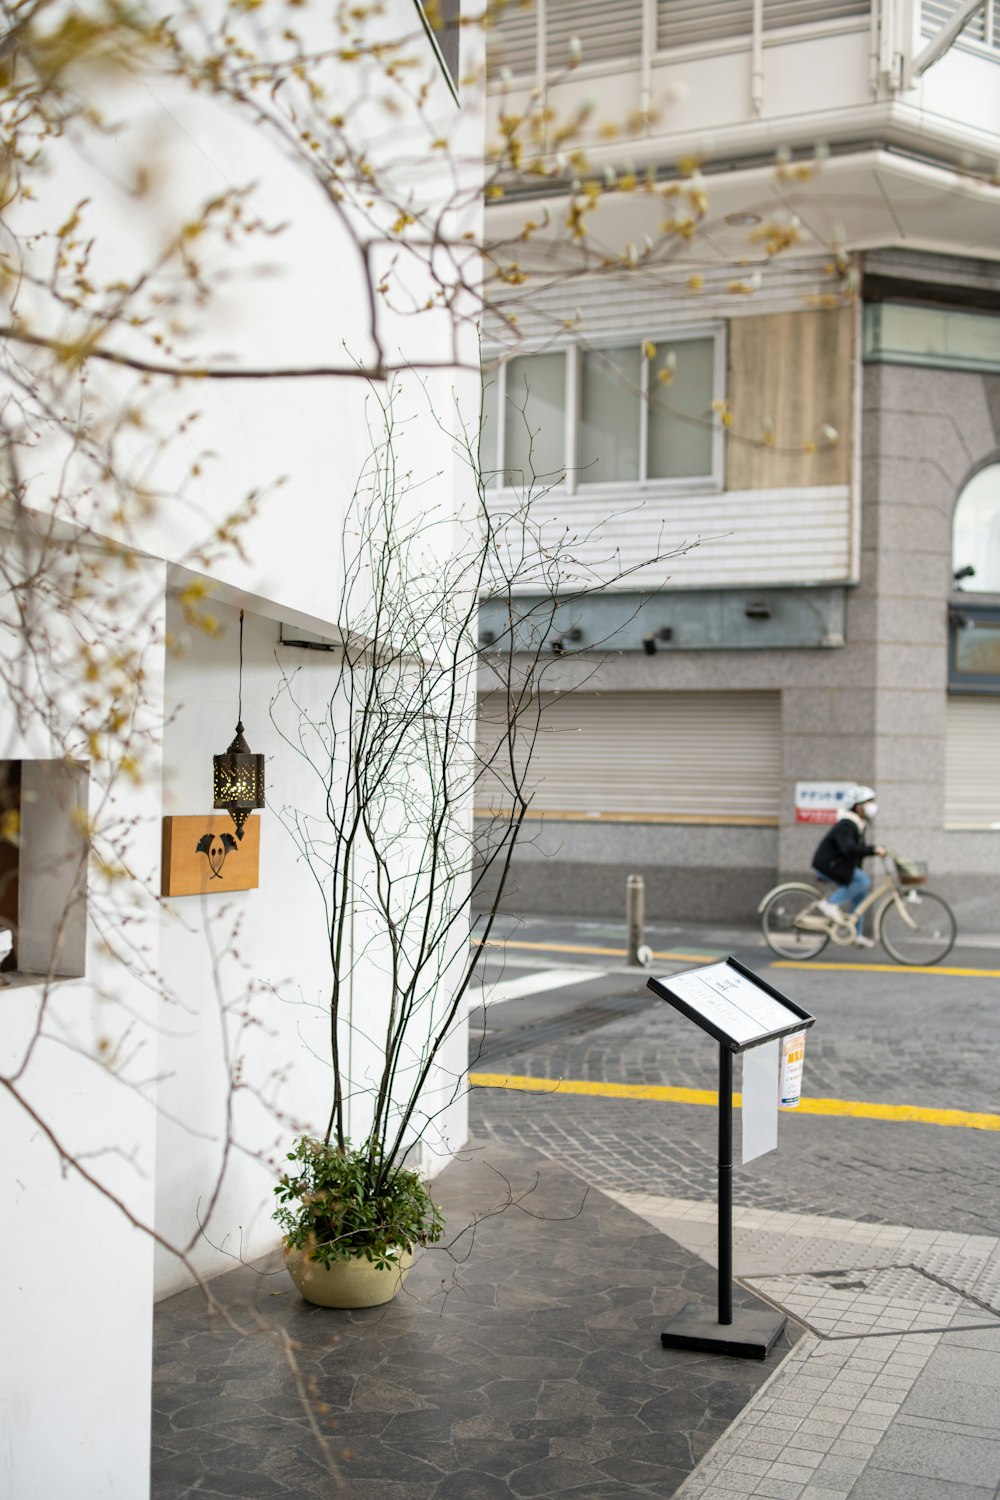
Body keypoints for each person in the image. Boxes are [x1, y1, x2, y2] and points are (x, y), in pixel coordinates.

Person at [810, 785, 885, 948]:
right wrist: (872, 850)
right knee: (863, 881)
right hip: (828, 865)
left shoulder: (858, 823)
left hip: (838, 865)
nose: (873, 805)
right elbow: (849, 849)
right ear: (859, 807)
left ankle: (856, 935)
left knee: (861, 895)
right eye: (870, 802)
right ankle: (830, 904)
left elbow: (854, 853)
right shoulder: (847, 824)